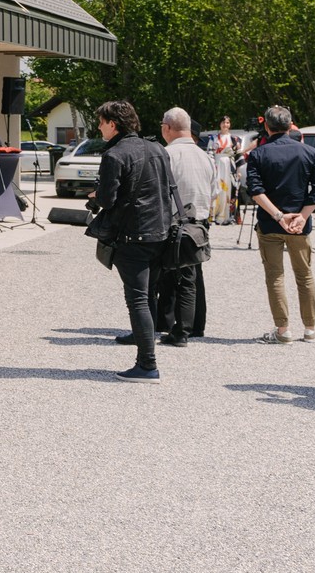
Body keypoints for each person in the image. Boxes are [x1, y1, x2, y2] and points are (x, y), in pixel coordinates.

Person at [89, 101, 175, 382]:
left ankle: (147, 364)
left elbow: (107, 199)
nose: (99, 127)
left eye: (101, 122)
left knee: (137, 299)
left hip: (132, 234)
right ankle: (143, 348)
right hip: (161, 232)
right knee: (148, 295)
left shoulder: (115, 154)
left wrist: (96, 197)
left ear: (113, 124)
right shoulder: (158, 148)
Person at [244, 105, 315, 343]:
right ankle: (310, 329)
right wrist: (303, 215)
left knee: (275, 277)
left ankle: (283, 330)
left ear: (267, 126)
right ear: (291, 126)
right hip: (299, 224)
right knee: (305, 275)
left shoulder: (259, 154)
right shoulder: (308, 152)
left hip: (271, 223)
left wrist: (279, 216)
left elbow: (255, 191)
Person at [152, 107, 213, 346]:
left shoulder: (166, 154)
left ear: (167, 128)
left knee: (170, 277)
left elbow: (158, 193)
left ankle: (176, 328)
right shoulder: (206, 157)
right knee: (193, 275)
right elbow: (213, 192)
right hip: (199, 223)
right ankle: (193, 325)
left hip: (173, 223)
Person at [207, 116, 239, 225]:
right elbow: (210, 152)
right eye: (223, 122)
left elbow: (238, 155)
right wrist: (212, 165)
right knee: (216, 188)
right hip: (217, 163)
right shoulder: (213, 138)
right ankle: (213, 215)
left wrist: (238, 170)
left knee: (228, 189)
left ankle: (227, 216)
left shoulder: (234, 138)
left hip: (229, 165)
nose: (225, 125)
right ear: (220, 124)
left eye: (228, 122)